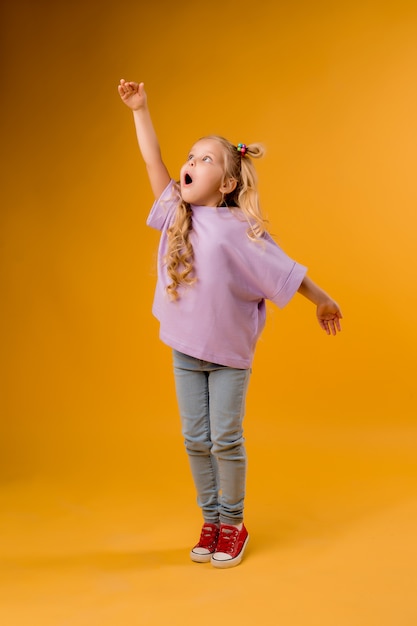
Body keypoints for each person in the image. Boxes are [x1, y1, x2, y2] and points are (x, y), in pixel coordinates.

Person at [118, 79, 343, 569]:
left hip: (227, 358)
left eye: (206, 159)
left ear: (228, 183)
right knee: (194, 440)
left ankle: (233, 523)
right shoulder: (179, 214)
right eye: (191, 156)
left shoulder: (241, 229)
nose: (191, 163)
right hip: (184, 350)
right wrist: (141, 109)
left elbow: (285, 270)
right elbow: (152, 160)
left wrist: (320, 298)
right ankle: (210, 518)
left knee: (226, 439)